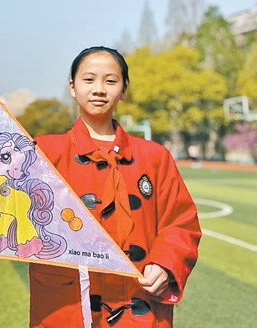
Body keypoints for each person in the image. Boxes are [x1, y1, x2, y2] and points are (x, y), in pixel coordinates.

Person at [29, 46, 201, 328]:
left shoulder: (154, 156)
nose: (99, 89)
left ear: (123, 90)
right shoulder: (45, 151)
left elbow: (181, 223)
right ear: (72, 87)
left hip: (139, 305)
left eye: (110, 81)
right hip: (66, 305)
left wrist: (166, 265)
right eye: (88, 80)